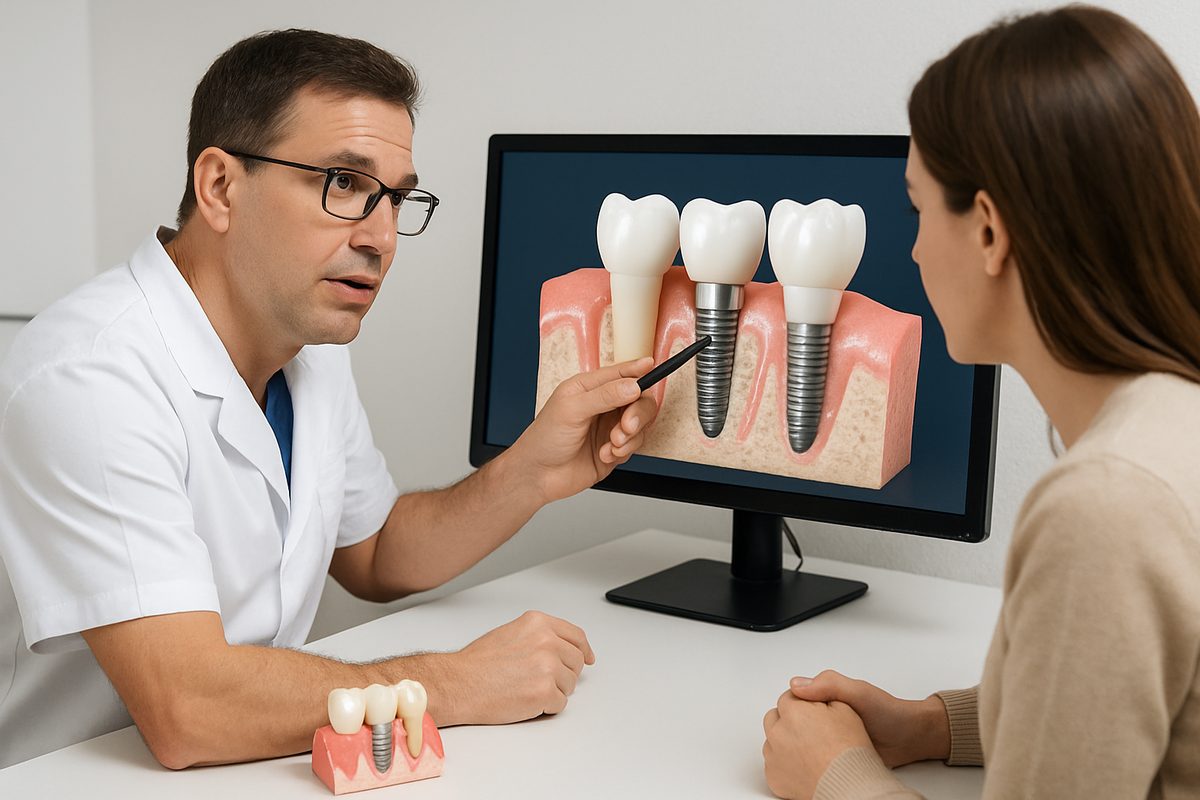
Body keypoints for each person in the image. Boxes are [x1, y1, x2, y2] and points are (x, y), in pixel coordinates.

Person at [0, 29, 659, 770]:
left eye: (398, 198)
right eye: (344, 183)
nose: (382, 237)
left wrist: (531, 472)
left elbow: (374, 552)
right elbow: (189, 709)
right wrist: (458, 682)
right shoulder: (88, 376)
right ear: (220, 187)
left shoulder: (304, 346)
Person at [761, 6, 1200, 799]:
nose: (917, 247)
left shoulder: (1106, 508)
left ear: (991, 231)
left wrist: (837, 776)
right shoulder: (1173, 428)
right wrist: (938, 724)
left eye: (917, 208)